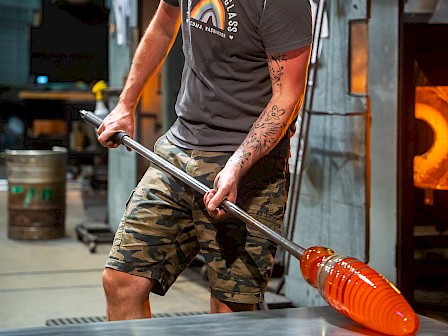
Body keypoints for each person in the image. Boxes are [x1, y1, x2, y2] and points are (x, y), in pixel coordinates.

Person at [97, 0, 312, 320]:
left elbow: (288, 95)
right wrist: (126, 105)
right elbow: (163, 25)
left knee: (230, 309)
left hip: (248, 167)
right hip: (179, 150)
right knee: (122, 281)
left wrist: (236, 166)